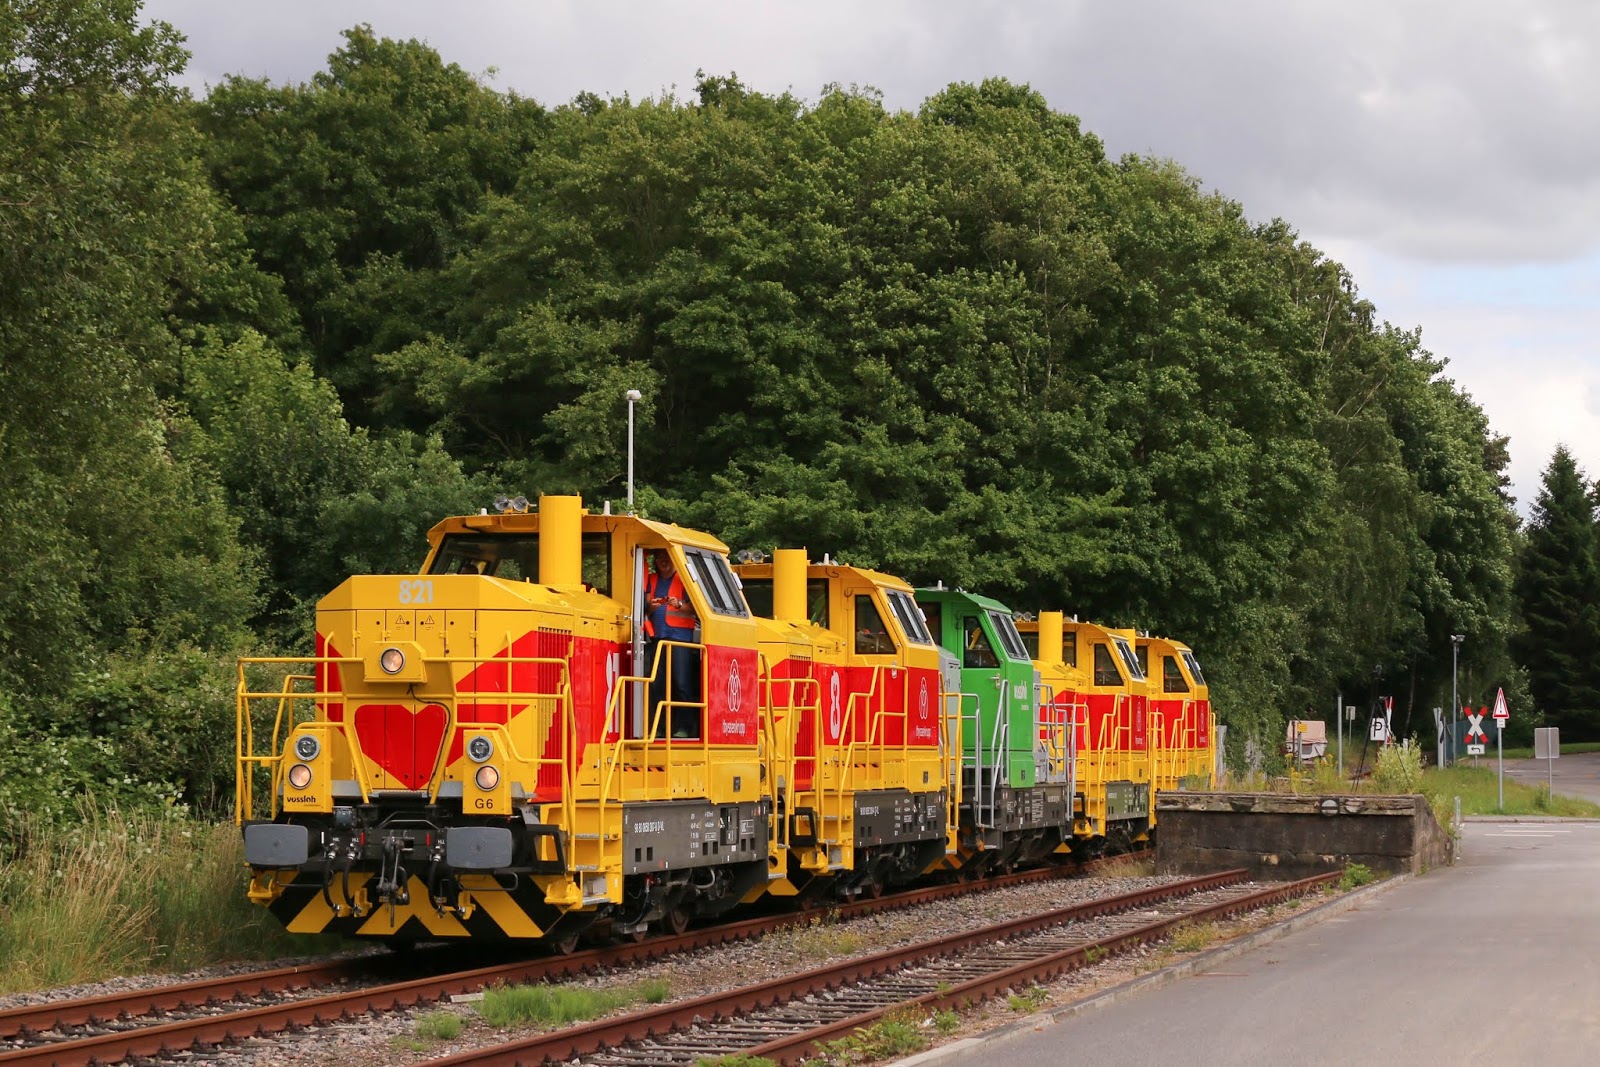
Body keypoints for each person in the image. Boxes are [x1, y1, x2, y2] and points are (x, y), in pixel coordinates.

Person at [644, 549, 700, 738]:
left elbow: (696, 608)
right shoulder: (651, 580)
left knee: (681, 683)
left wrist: (679, 605)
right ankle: (660, 728)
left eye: (667, 558)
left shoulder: (684, 579)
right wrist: (653, 604)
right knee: (657, 684)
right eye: (659, 558)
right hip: (657, 637)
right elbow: (645, 605)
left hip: (680, 639)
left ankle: (684, 727)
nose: (663, 561)